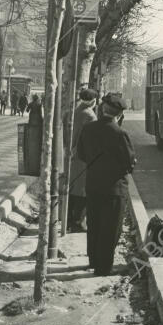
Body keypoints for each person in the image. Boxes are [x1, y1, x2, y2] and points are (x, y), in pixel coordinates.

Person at [76, 93, 136, 276]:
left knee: (94, 224)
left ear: (102, 109)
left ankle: (93, 260)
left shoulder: (88, 129)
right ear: (120, 114)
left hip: (93, 184)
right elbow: (129, 162)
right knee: (110, 228)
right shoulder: (120, 133)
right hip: (114, 188)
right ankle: (103, 268)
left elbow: (81, 154)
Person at [67, 88, 98, 233]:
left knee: (72, 187)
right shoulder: (90, 116)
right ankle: (77, 221)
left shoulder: (73, 111)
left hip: (70, 154)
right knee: (82, 190)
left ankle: (68, 219)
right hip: (83, 156)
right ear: (93, 101)